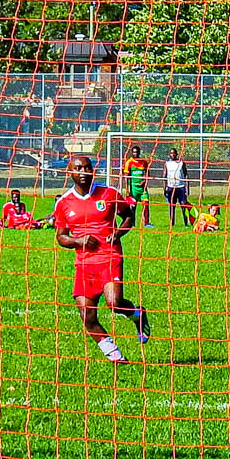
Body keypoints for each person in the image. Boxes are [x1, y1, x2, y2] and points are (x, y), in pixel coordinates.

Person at [51, 153, 150, 365]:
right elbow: (60, 237)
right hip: (84, 263)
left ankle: (137, 314)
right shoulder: (63, 203)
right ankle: (116, 356)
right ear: (70, 173)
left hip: (109, 256)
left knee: (114, 302)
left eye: (88, 168)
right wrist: (79, 241)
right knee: (87, 317)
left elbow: (129, 216)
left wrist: (118, 232)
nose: (84, 172)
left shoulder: (108, 193)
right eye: (78, 168)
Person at [123, 143, 153, 228]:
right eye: (134, 152)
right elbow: (126, 177)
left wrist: (144, 181)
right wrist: (127, 189)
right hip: (133, 189)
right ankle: (132, 223)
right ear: (132, 153)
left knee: (146, 205)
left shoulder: (144, 162)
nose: (135, 154)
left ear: (139, 152)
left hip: (143, 189)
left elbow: (147, 174)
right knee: (132, 207)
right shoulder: (129, 162)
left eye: (137, 152)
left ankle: (147, 223)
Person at [163, 148, 194, 227]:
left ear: (177, 154)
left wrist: (187, 187)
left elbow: (186, 175)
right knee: (172, 206)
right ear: (169, 154)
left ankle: (186, 223)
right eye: (171, 153)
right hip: (171, 187)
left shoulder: (181, 163)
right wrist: (164, 187)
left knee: (183, 205)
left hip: (180, 187)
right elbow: (164, 176)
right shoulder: (167, 163)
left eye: (174, 153)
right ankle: (172, 223)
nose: (172, 155)